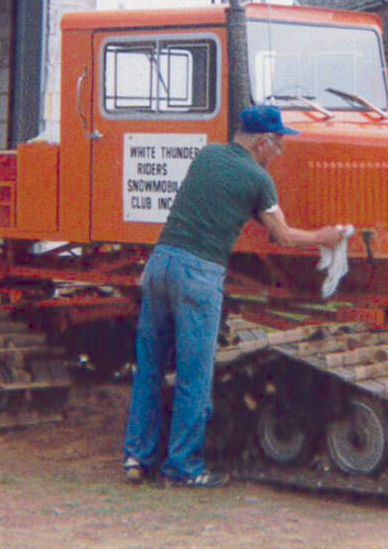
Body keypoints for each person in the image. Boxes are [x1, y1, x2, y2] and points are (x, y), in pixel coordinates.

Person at [122, 104, 346, 488]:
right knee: (195, 374)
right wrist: (325, 237)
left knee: (150, 368)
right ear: (261, 142)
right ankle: (183, 468)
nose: (279, 152)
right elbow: (284, 236)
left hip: (160, 264)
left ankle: (136, 459)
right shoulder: (258, 180)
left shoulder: (208, 154)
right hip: (198, 273)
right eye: (277, 144)